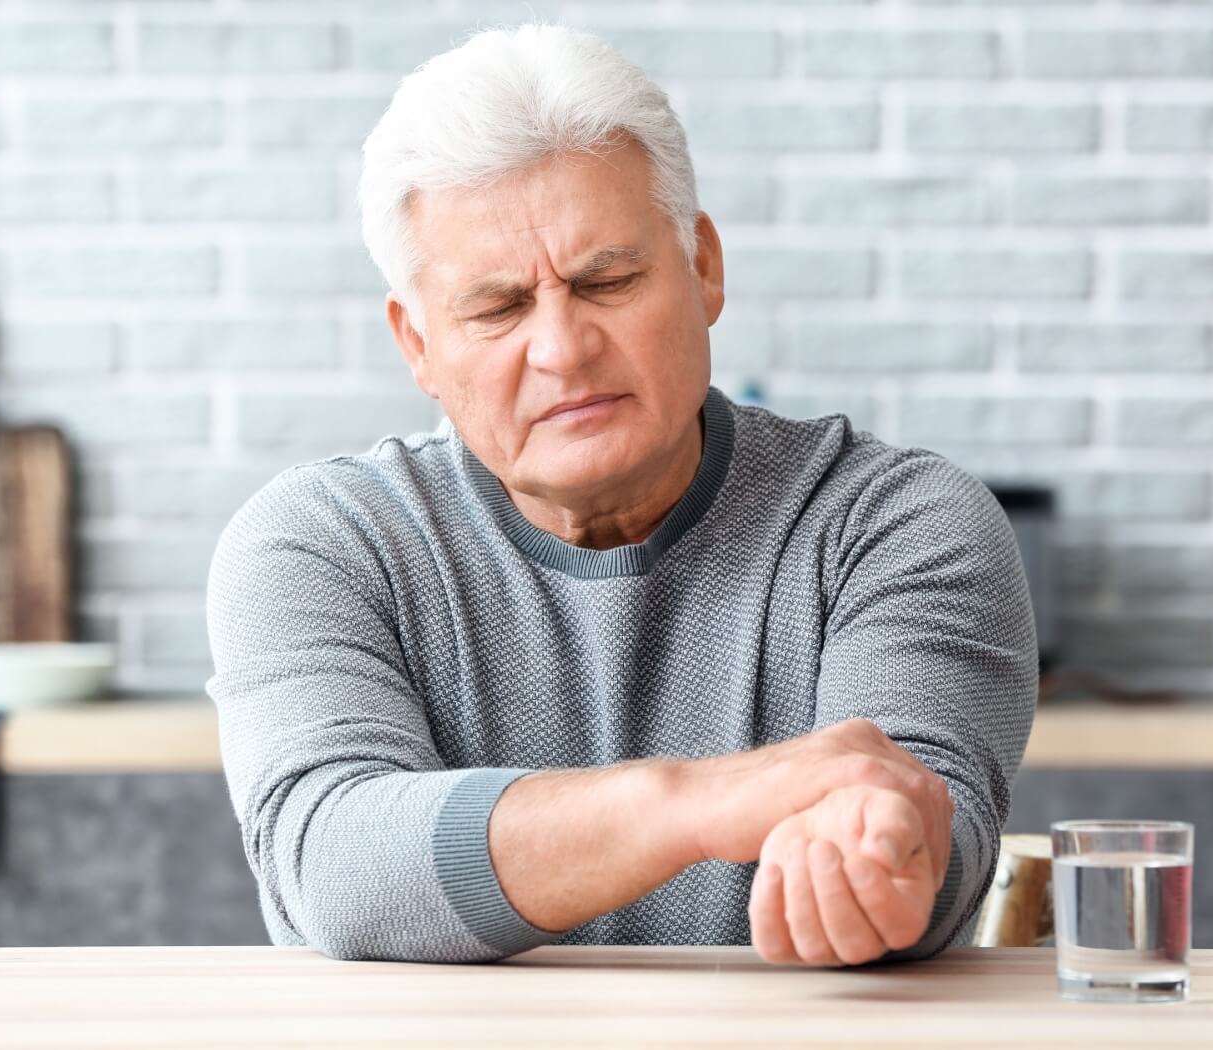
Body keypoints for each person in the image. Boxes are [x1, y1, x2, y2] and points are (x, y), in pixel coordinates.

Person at [204, 22, 1038, 968]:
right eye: (498, 307)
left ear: (704, 267)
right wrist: (698, 803)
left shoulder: (894, 525)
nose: (562, 348)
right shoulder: (320, 542)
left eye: (608, 281)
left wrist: (882, 853)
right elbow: (338, 869)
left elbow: (928, 857)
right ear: (418, 344)